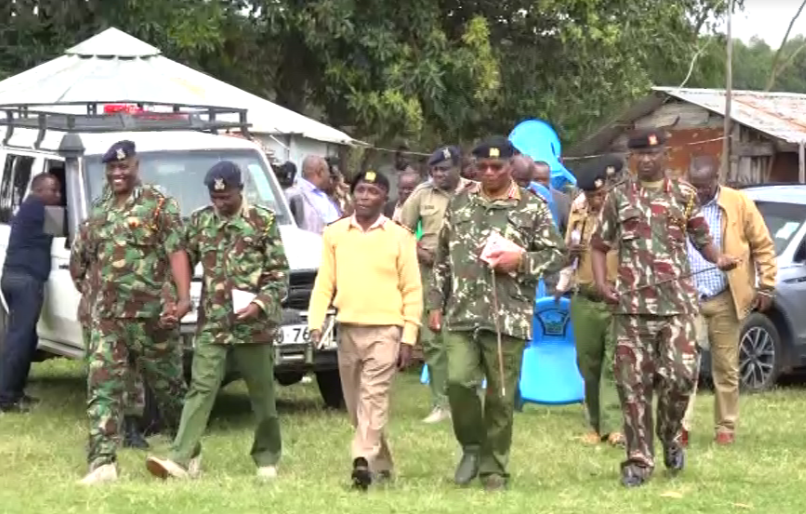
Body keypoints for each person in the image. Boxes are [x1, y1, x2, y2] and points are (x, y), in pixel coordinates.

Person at [590, 128, 739, 488]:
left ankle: (670, 436)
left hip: (677, 306)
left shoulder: (684, 196)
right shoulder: (618, 198)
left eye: (653, 154)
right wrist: (602, 284)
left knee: (681, 377)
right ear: (632, 158)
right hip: (631, 309)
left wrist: (719, 258)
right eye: (639, 154)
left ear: (665, 156)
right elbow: (598, 245)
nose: (646, 159)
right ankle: (639, 461)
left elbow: (702, 238)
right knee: (632, 387)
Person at [428, 136, 566, 491]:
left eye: (497, 167)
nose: (489, 173)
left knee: (501, 396)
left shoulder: (532, 207)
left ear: (510, 167)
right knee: (458, 382)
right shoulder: (460, 202)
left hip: (508, 314)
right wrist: (435, 304)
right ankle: (472, 447)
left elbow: (556, 254)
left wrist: (520, 260)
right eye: (483, 167)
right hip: (461, 312)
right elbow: (442, 258)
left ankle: (494, 468)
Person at [145, 161, 290, 481]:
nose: (220, 203)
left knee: (262, 395)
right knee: (200, 389)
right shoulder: (201, 221)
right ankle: (181, 459)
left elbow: (279, 275)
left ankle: (267, 457)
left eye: (226, 197)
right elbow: (182, 263)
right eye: (214, 197)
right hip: (213, 324)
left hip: (254, 326)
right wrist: (175, 298)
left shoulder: (262, 221)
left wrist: (260, 304)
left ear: (241, 190)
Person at [75, 140, 191, 485]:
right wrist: (91, 297)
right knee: (102, 387)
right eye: (112, 167)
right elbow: (83, 258)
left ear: (136, 166)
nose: (117, 173)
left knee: (169, 391)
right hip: (108, 319)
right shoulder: (100, 208)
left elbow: (177, 252)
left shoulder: (158, 204)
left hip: (151, 316)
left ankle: (188, 452)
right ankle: (102, 463)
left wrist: (183, 298)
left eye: (123, 167)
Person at [308, 170, 422, 491]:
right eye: (360, 190)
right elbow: (324, 282)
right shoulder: (335, 233)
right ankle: (381, 463)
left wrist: (409, 336)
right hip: (348, 330)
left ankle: (361, 459)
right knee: (357, 406)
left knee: (374, 397)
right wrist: (316, 322)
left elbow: (412, 290)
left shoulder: (400, 236)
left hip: (386, 330)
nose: (365, 196)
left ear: (384, 198)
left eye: (373, 191)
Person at [681, 155, 776, 446]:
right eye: (694, 185)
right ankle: (680, 427)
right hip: (688, 296)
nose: (699, 191)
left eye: (704, 186)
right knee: (683, 367)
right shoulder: (681, 202)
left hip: (725, 296)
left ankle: (725, 428)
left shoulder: (739, 203)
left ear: (716, 179)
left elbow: (763, 245)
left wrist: (766, 286)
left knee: (726, 367)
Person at [399, 145, 474, 424]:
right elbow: (402, 231)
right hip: (431, 274)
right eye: (434, 170)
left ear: (458, 168)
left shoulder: (475, 191)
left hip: (467, 275)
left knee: (467, 337)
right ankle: (441, 403)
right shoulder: (422, 193)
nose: (438, 175)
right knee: (434, 339)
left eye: (443, 169)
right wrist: (419, 251)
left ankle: (466, 399)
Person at [556, 158, 623, 446]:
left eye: (601, 194)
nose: (597, 200)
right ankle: (595, 425)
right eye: (592, 195)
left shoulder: (622, 210)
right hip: (584, 297)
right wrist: (563, 279)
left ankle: (614, 426)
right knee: (588, 364)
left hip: (616, 299)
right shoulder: (578, 210)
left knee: (614, 363)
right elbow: (569, 254)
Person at [70, 220, 150, 449]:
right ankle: (101, 432)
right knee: (99, 374)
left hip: (132, 311)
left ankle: (131, 427)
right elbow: (77, 268)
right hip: (96, 313)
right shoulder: (92, 225)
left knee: (132, 371)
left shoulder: (142, 224)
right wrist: (94, 291)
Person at [0, 173, 61, 413]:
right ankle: (6, 398)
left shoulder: (28, 208)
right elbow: (73, 226)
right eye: (53, 190)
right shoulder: (38, 209)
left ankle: (15, 392)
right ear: (38, 190)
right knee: (20, 339)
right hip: (25, 280)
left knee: (26, 338)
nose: (58, 195)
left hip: (14, 277)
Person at [286, 155, 341, 234]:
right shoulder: (296, 195)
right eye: (328, 171)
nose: (329, 176)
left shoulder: (320, 195)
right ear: (320, 172)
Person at [533, 160, 571, 236]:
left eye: (544, 179)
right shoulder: (523, 197)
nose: (540, 183)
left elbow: (569, 229)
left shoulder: (562, 199)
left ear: (549, 178)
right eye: (536, 180)